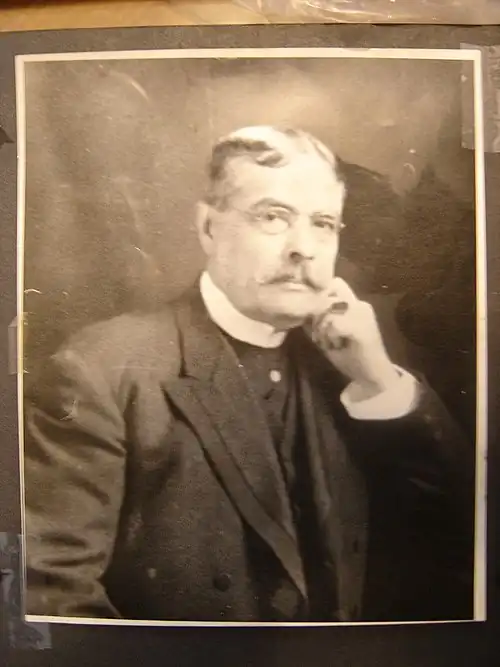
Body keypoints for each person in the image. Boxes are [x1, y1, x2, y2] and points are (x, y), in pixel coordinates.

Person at [24, 126, 475, 623]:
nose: (303, 248)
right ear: (208, 228)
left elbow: (468, 538)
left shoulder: (352, 364)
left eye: (323, 223)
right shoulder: (100, 369)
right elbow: (48, 597)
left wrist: (379, 383)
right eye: (273, 216)